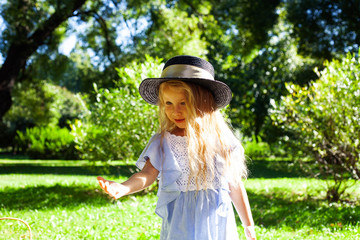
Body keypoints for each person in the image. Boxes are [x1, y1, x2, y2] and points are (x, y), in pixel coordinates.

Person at [97, 55, 256, 240]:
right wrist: (124, 187)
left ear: (203, 103)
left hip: (216, 222)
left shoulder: (221, 140)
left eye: (183, 103)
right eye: (168, 104)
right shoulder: (163, 141)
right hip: (181, 223)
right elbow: (147, 174)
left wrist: (248, 224)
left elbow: (234, 184)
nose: (176, 111)